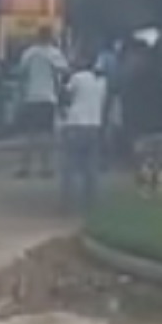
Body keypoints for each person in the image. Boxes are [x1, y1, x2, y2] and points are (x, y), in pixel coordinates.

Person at [120, 43, 162, 196]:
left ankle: (145, 188)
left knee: (144, 160)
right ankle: (159, 186)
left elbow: (128, 101)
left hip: (141, 125)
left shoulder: (134, 78)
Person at [15, 27, 69, 178]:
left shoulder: (29, 53)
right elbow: (65, 71)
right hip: (48, 97)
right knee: (46, 135)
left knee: (29, 135)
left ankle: (24, 167)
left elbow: (21, 73)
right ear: (50, 37)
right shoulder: (54, 53)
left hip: (31, 97)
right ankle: (46, 168)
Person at [59, 55, 108, 213]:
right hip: (94, 124)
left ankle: (67, 203)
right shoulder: (101, 82)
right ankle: (91, 203)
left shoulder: (77, 78)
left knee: (70, 166)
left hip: (76, 123)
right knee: (91, 167)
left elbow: (65, 96)